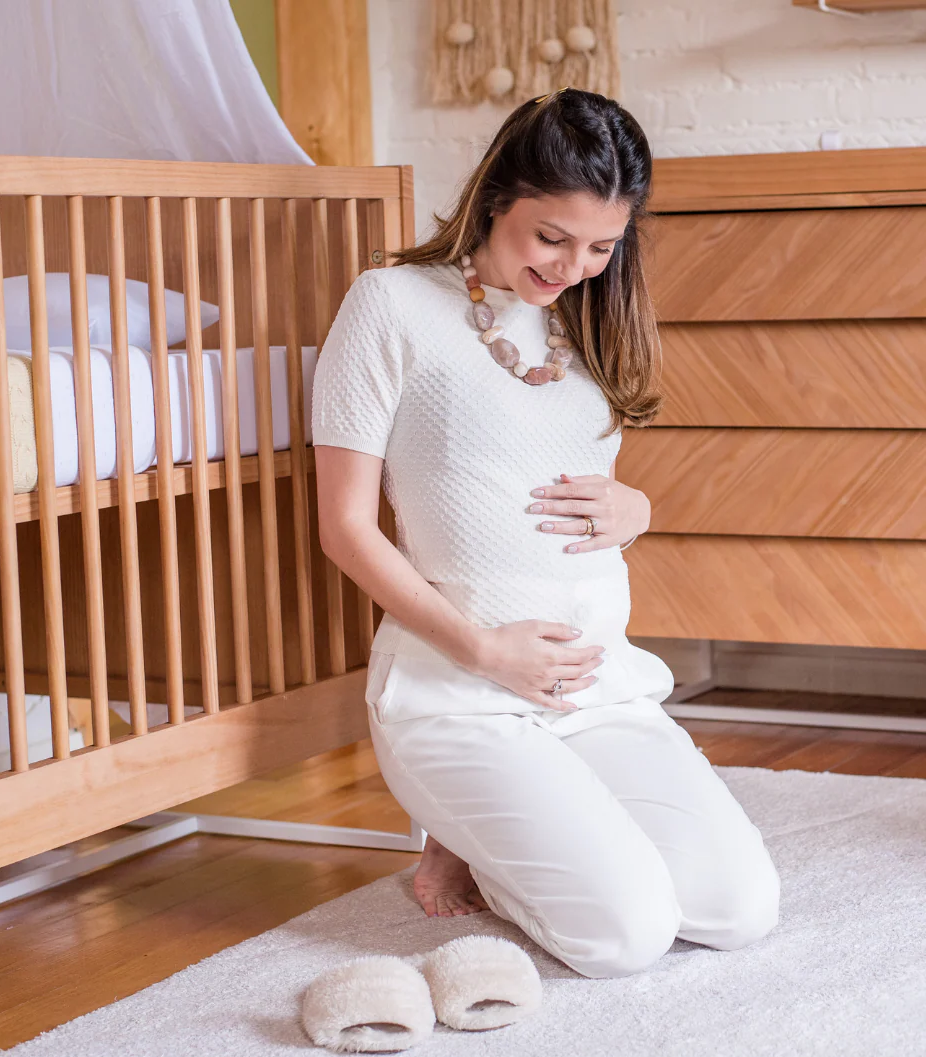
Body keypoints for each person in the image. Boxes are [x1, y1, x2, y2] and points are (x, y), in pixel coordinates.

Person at [311, 88, 780, 980]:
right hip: (458, 694)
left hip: (597, 688)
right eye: (551, 237)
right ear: (497, 199)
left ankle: (490, 830)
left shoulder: (587, 322)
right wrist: (483, 651)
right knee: (626, 937)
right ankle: (466, 831)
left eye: (602, 247)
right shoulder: (391, 304)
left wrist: (637, 511)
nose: (573, 266)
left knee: (738, 910)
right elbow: (344, 526)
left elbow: (563, 488)